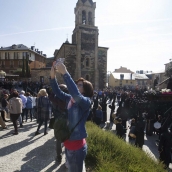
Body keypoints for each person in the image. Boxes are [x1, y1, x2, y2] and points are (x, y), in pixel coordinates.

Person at [50, 61, 93, 172]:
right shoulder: (71, 99)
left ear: (86, 89)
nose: (76, 85)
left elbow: (77, 95)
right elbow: (57, 92)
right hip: (68, 144)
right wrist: (52, 76)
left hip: (77, 147)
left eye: (79, 85)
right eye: (76, 84)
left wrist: (65, 73)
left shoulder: (86, 102)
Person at [49, 84, 68, 163]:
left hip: (58, 120)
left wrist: (55, 90)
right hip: (66, 120)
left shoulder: (55, 98)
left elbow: (50, 96)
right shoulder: (67, 97)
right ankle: (67, 158)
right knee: (68, 138)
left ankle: (59, 157)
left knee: (58, 139)